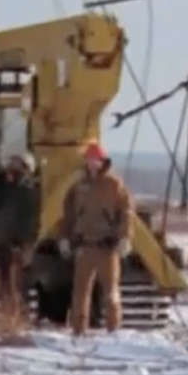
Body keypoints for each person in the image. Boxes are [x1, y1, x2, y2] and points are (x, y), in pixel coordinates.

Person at [57, 140, 135, 336]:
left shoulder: (114, 185)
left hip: (107, 248)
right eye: (89, 160)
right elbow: (68, 215)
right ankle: (78, 330)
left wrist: (124, 237)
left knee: (111, 293)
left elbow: (126, 213)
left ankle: (114, 329)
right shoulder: (78, 187)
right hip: (84, 246)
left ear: (103, 161)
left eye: (95, 160)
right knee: (80, 293)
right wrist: (64, 238)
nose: (92, 164)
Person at [0, 151, 41, 326]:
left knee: (15, 287)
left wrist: (23, 244)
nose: (11, 166)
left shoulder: (28, 191)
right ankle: (6, 320)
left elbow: (30, 222)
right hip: (1, 243)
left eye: (16, 163)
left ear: (26, 168)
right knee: (5, 286)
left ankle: (14, 322)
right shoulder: (3, 188)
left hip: (15, 245)